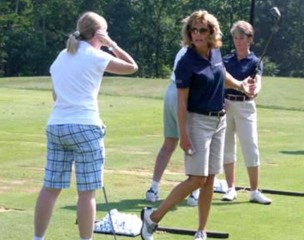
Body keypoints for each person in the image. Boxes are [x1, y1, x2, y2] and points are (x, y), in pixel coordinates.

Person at [140, 10, 249, 240]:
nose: (197, 34)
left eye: (202, 30)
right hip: (197, 121)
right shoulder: (186, 61)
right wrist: (184, 134)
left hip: (219, 120)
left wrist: (240, 85)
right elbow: (181, 102)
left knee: (209, 178)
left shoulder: (216, 52)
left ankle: (202, 230)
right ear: (189, 33)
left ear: (211, 32)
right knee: (197, 179)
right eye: (194, 29)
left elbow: (222, 75)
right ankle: (152, 217)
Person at [32, 11, 138, 240]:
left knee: (50, 188)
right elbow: (132, 67)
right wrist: (112, 44)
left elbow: (55, 96)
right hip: (86, 127)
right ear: (98, 34)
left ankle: (37, 238)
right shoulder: (95, 55)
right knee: (87, 193)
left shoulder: (61, 56)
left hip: (57, 126)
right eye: (105, 33)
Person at [221, 20, 272, 204]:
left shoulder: (255, 61)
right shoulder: (226, 60)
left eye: (241, 38)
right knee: (227, 147)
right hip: (226, 105)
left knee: (251, 147)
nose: (238, 41)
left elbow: (257, 83)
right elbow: (220, 83)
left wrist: (253, 90)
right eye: (235, 38)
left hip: (245, 106)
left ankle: (254, 191)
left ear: (249, 39)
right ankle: (230, 188)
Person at [145, 46, 200, 206]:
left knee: (169, 144)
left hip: (171, 91)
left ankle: (153, 188)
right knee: (192, 143)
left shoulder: (184, 49)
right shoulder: (195, 51)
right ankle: (193, 192)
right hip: (182, 95)